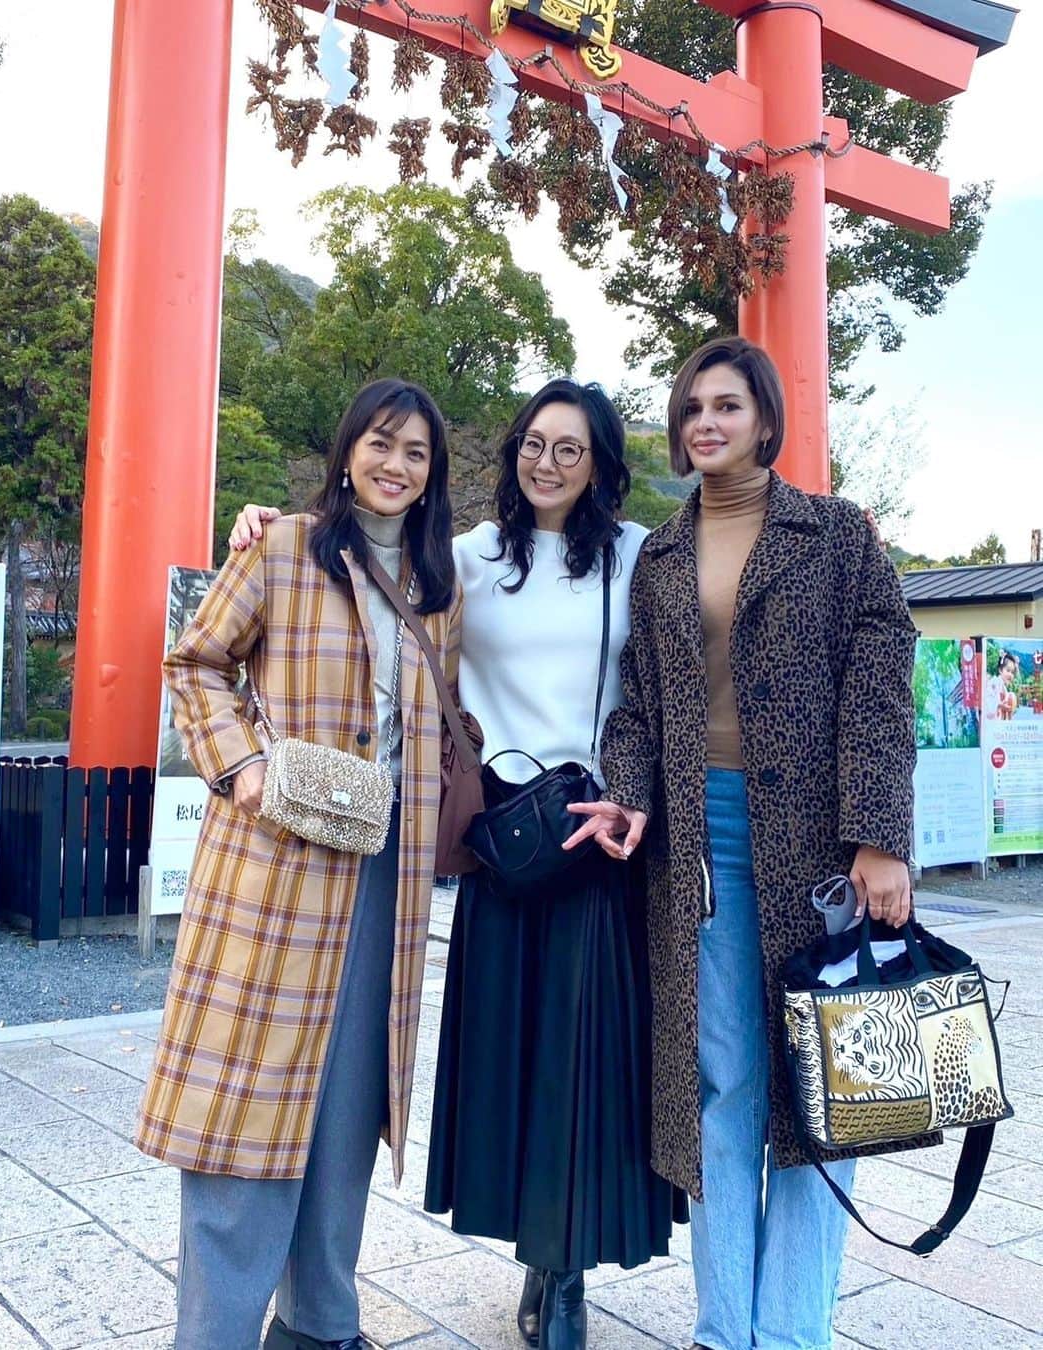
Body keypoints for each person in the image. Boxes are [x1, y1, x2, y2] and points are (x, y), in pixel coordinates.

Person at [230, 379, 684, 1350]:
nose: (547, 463)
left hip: (592, 831)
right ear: (513, 452)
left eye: (571, 449)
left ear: (601, 465)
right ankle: (530, 1247)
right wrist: (270, 520)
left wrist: (837, 525)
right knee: (508, 1061)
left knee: (581, 1068)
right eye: (534, 443)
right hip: (497, 838)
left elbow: (673, 669)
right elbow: (366, 554)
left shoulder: (641, 554)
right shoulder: (468, 554)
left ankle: (563, 1274)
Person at [567, 337, 930, 1350]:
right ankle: (726, 1329)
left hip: (822, 848)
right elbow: (637, 707)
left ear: (765, 419)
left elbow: (880, 688)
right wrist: (630, 795)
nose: (706, 423)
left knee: (827, 1090)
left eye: (726, 405)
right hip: (700, 845)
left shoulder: (838, 533)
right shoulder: (660, 555)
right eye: (692, 408)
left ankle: (793, 1331)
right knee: (722, 1088)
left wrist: (879, 838)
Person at [136, 378, 462, 1350]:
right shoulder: (282, 547)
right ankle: (215, 1335)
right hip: (275, 864)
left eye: (416, 452)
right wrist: (240, 766)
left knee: (347, 1105)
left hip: (386, 873)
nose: (396, 465)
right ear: (348, 450)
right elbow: (197, 661)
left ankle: (320, 1324)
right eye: (381, 443)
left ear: (434, 471)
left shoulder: (438, 586)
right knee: (245, 1101)